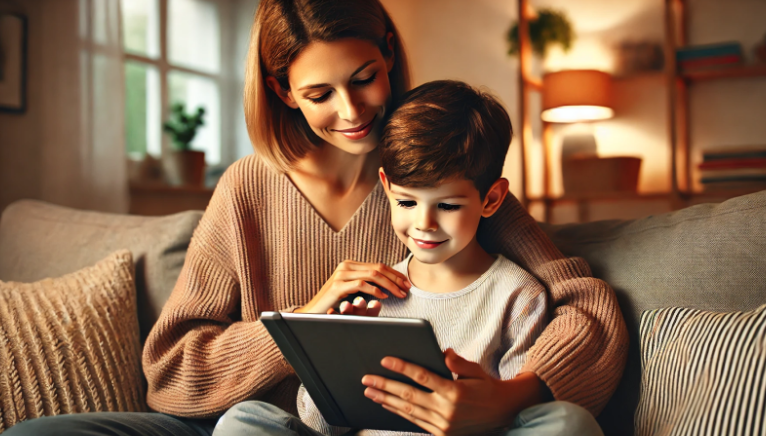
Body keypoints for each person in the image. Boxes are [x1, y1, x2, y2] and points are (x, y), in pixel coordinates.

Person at [4, 1, 627, 435]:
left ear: (388, 54)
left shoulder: (435, 174)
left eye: (364, 79)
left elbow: (586, 304)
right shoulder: (248, 188)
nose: (353, 111)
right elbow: (173, 374)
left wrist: (507, 397)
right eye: (319, 94)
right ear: (282, 91)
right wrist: (304, 321)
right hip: (254, 425)